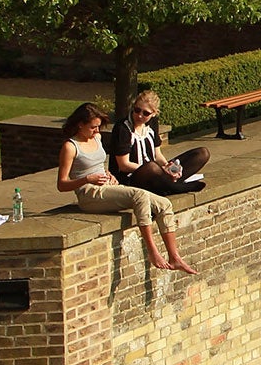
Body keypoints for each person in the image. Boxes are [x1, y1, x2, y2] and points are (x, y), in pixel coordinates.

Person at [58, 103, 197, 274]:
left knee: (164, 204)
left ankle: (174, 257)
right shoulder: (70, 147)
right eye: (93, 127)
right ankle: (152, 252)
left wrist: (109, 175)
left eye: (98, 127)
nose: (97, 131)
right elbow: (62, 184)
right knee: (138, 196)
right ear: (80, 124)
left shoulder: (97, 138)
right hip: (89, 194)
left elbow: (99, 166)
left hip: (107, 187)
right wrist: (87, 179)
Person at [110, 90, 208, 195]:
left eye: (146, 113)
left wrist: (168, 167)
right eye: (137, 110)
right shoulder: (122, 128)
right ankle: (175, 187)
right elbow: (124, 165)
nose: (139, 116)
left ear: (154, 113)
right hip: (132, 177)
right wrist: (159, 171)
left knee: (202, 153)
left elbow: (157, 154)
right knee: (151, 167)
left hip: (157, 173)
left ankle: (169, 184)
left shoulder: (152, 123)